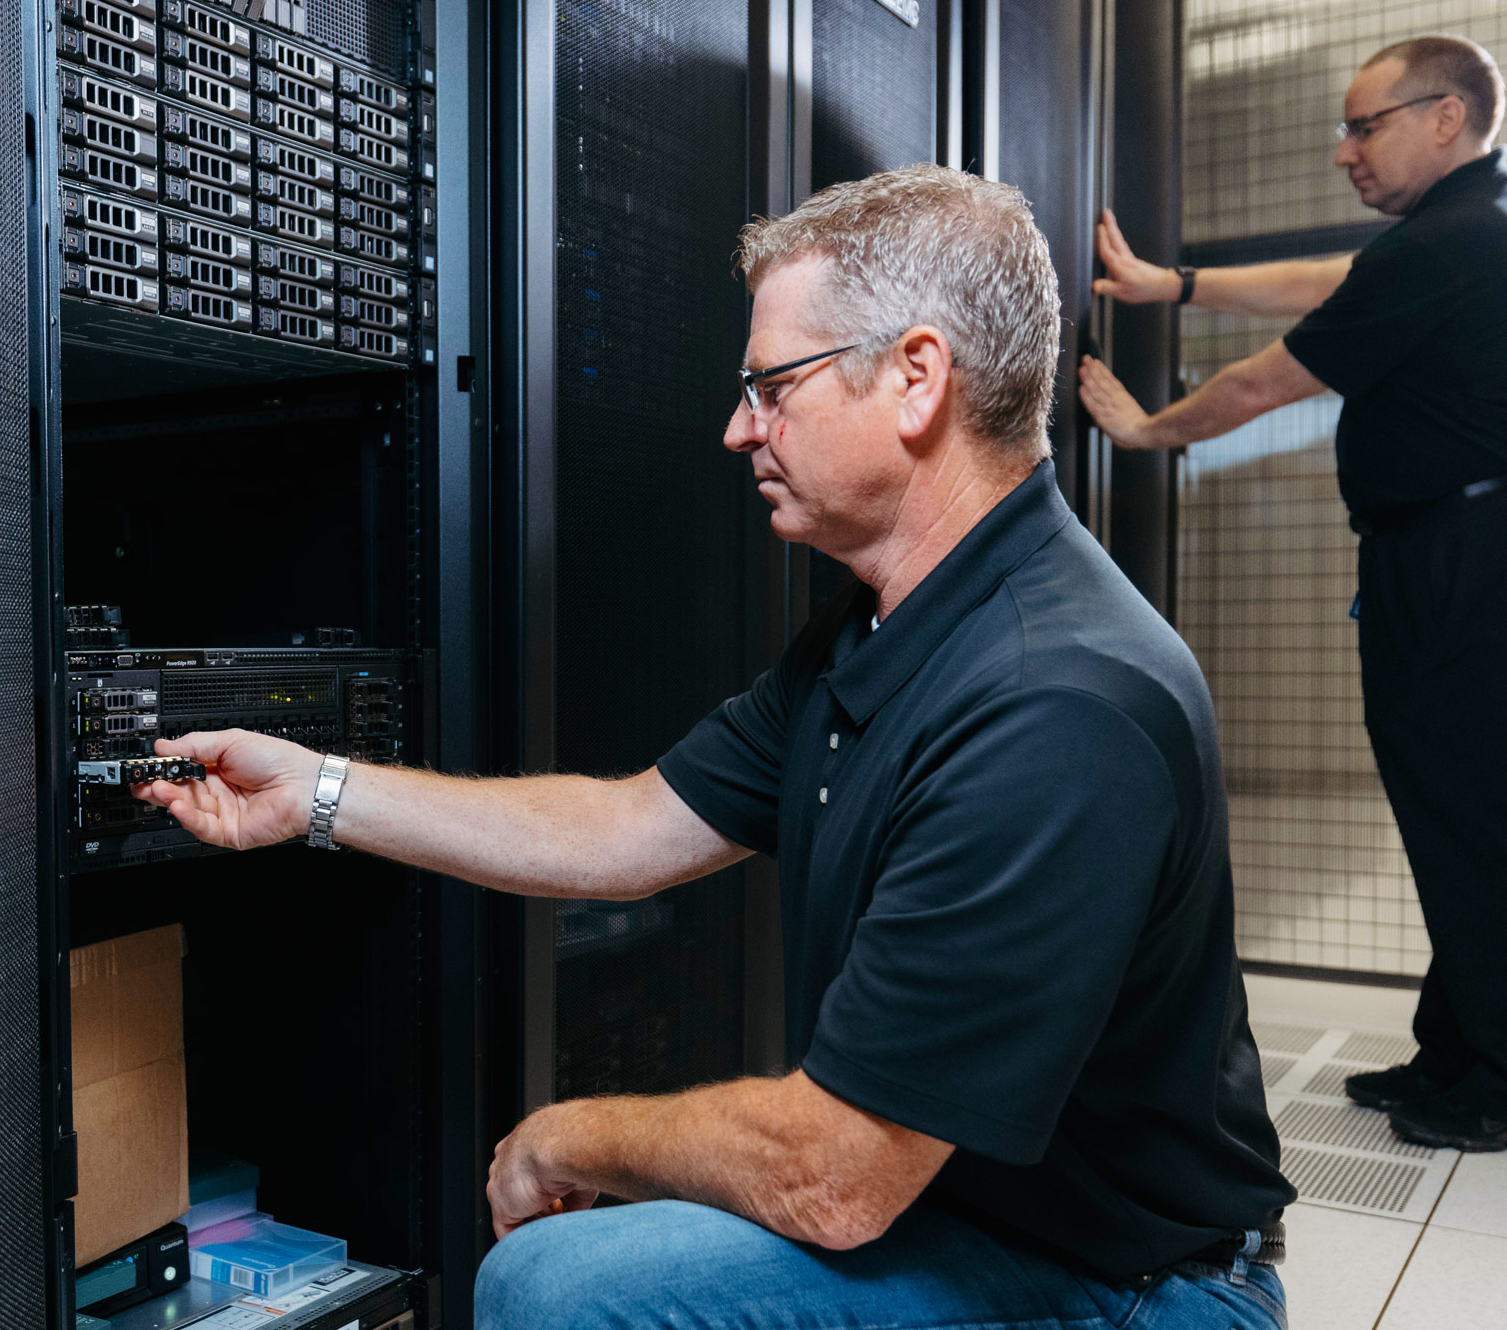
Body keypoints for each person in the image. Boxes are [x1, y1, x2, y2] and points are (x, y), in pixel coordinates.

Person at [137, 165, 1294, 1329]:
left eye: (769, 385)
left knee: (554, 1287)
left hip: (1133, 1287)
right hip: (968, 1212)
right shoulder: (889, 623)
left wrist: (569, 1134)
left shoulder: (1057, 704)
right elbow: (634, 825)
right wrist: (319, 793)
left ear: (913, 378)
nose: (737, 425)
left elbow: (834, 1176)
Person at [1077, 35, 1507, 1153]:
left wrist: (1148, 429)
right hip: (1490, 539)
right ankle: (1463, 1047)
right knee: (1466, 803)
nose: (1341, 150)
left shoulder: (1448, 240)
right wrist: (1180, 286)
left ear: (1444, 116)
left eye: (1364, 126)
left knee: (1476, 811)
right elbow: (1332, 282)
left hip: (1464, 551)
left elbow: (1271, 375)